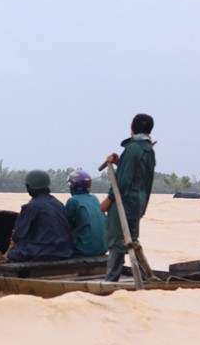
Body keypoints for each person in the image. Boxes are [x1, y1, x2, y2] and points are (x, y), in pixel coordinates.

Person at [100, 113, 157, 281]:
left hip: (124, 202)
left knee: (118, 241)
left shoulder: (133, 149)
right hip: (137, 201)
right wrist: (119, 161)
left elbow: (123, 181)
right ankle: (144, 278)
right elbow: (140, 175)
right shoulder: (148, 150)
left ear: (132, 129)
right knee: (132, 240)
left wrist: (108, 200)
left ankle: (111, 280)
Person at [6, 169, 73, 262]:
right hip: (64, 253)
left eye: (27, 186)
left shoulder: (32, 206)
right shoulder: (58, 204)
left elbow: (18, 235)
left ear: (31, 187)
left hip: (40, 254)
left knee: (14, 253)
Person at [65, 170, 107, 257]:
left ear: (73, 186)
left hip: (83, 251)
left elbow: (65, 226)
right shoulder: (94, 198)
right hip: (102, 249)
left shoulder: (73, 201)